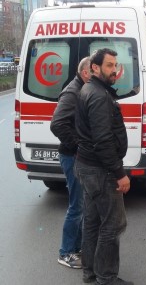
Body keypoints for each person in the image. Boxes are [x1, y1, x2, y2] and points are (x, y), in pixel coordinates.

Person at [74, 48, 133, 285]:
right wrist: (120, 174)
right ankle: (106, 277)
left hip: (89, 167)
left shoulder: (91, 89)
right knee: (113, 225)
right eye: (109, 65)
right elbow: (102, 139)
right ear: (95, 68)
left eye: (115, 65)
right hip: (101, 171)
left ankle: (90, 272)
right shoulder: (98, 95)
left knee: (92, 222)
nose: (114, 69)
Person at [50, 56, 91, 269]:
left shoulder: (81, 89)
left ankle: (76, 249)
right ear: (85, 73)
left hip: (77, 156)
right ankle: (65, 252)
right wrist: (77, 146)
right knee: (76, 206)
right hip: (72, 156)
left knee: (81, 205)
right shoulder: (73, 92)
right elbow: (57, 124)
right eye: (94, 71)